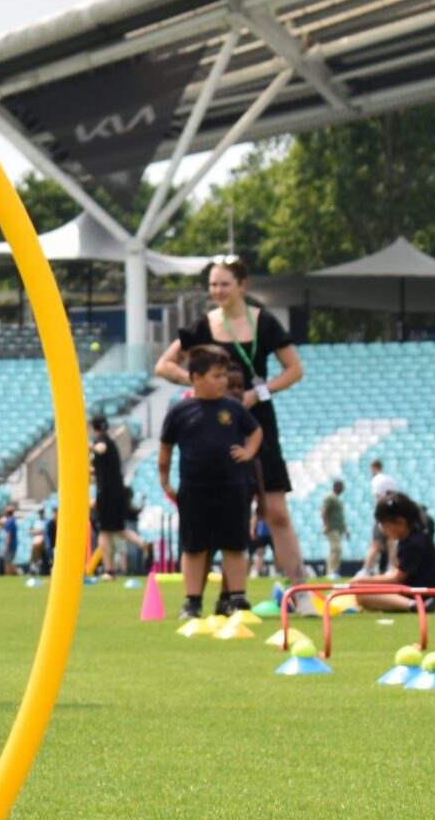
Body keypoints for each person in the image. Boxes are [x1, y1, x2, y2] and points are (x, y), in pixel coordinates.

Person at [154, 259, 307, 598]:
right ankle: (205, 600)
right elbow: (163, 365)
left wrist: (258, 393)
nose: (217, 291)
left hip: (256, 421)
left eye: (224, 284)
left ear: (243, 285)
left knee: (276, 512)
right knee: (216, 514)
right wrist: (198, 384)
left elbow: (294, 369)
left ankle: (301, 592)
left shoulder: (264, 322)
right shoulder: (203, 325)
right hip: (213, 430)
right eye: (212, 284)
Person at [157, 346, 263, 620]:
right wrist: (164, 479)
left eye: (224, 375)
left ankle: (236, 597)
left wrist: (248, 452)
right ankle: (192, 601)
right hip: (194, 490)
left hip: (233, 487)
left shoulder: (233, 408)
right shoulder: (181, 411)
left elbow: (256, 432)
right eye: (216, 376)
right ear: (196, 377)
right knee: (194, 546)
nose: (224, 381)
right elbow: (166, 447)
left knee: (235, 545)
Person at [351, 490, 435, 612]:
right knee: (364, 595)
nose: (383, 530)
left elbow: (397, 578)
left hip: (420, 591)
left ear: (400, 522)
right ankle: (405, 604)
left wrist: (361, 580)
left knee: (362, 595)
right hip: (416, 587)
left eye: (384, 525)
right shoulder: (410, 537)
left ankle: (415, 605)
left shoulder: (413, 542)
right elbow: (396, 572)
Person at [89, 415, 143, 574]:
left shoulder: (103, 441)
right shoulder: (111, 444)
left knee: (104, 531)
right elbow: (100, 469)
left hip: (107, 492)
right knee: (118, 529)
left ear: (94, 428)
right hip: (117, 492)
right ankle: (143, 543)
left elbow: (100, 448)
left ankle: (108, 569)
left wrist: (88, 446)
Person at [320, 478, 349, 579]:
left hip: (338, 528)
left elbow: (340, 516)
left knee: (336, 550)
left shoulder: (337, 499)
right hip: (332, 527)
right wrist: (325, 525)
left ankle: (334, 572)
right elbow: (324, 511)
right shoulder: (330, 497)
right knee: (336, 548)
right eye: (341, 487)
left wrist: (346, 529)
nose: (342, 489)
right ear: (336, 486)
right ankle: (331, 572)